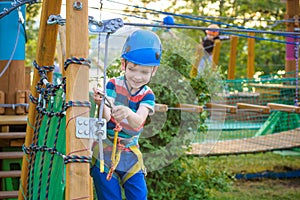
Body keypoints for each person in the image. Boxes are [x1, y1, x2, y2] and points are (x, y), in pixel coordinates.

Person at [91, 29, 162, 200]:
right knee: (110, 196)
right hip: (105, 152)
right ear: (123, 65)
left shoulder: (147, 95)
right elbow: (106, 118)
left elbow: (138, 122)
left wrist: (128, 112)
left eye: (144, 72)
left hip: (130, 152)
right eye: (132, 69)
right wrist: (102, 103)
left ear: (154, 71)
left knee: (139, 195)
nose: (137, 77)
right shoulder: (113, 85)